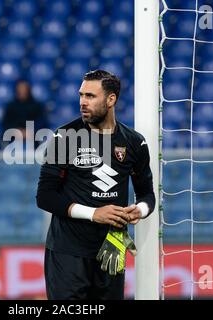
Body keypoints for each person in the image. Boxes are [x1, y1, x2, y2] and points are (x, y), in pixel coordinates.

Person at [36, 70, 155, 300]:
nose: (83, 102)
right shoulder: (65, 137)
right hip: (68, 252)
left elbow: (147, 195)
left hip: (112, 248)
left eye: (90, 96)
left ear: (111, 100)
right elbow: (45, 196)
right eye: (81, 95)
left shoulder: (134, 142)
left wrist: (137, 210)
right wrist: (94, 214)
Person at [0, 79, 47, 149]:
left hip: (33, 139)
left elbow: (42, 123)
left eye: (24, 89)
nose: (22, 91)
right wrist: (17, 131)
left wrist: (30, 132)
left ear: (28, 90)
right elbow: (5, 123)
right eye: (20, 89)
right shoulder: (11, 106)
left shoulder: (37, 106)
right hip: (13, 138)